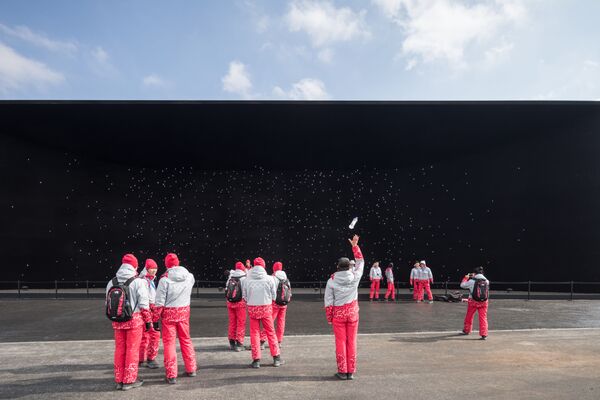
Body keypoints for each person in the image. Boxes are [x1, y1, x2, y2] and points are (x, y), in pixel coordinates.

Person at [105, 254, 152, 391]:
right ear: (135, 266)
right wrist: (148, 322)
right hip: (134, 321)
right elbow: (144, 305)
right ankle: (129, 380)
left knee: (120, 349)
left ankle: (119, 380)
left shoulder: (111, 282)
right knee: (132, 349)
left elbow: (107, 303)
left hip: (118, 321)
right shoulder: (138, 282)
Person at [324, 235, 365, 380]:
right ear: (349, 266)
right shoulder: (355, 276)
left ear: (337, 267)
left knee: (340, 342)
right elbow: (360, 262)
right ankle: (351, 371)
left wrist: (330, 318)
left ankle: (342, 371)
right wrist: (355, 246)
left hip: (339, 315)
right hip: (352, 313)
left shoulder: (331, 280)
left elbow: (328, 301)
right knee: (352, 341)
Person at [154, 253, 197, 384]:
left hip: (169, 314)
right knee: (186, 339)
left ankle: (172, 374)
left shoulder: (164, 279)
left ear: (167, 264)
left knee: (169, 343)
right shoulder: (189, 276)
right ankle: (191, 368)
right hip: (184, 311)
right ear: (178, 262)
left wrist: (155, 318)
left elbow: (160, 302)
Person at [242, 257, 283, 368]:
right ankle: (276, 358)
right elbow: (274, 296)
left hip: (252, 309)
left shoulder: (247, 279)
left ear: (254, 266)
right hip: (266, 308)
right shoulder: (270, 279)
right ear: (264, 266)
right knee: (270, 332)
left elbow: (244, 296)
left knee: (254, 333)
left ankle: (256, 360)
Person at [260, 261, 290, 347]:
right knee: (281, 322)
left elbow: (271, 291)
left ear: (274, 268)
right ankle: (279, 340)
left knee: (269, 322)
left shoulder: (273, 278)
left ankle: (262, 340)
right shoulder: (286, 278)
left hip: (274, 303)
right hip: (284, 303)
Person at [139, 258, 160, 369]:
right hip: (147, 309)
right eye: (152, 268)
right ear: (147, 268)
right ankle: (150, 358)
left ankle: (141, 358)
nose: (154, 270)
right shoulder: (144, 281)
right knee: (153, 334)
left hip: (148, 309)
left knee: (145, 335)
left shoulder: (149, 280)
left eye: (155, 268)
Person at [460, 267, 490, 340]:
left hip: (473, 301)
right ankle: (484, 334)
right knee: (483, 318)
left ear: (474, 273)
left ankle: (467, 330)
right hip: (484, 302)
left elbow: (462, 285)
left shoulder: (472, 281)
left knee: (469, 316)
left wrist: (466, 278)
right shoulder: (487, 281)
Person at [226, 261, 247, 351]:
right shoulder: (245, 278)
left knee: (232, 322)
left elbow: (227, 288)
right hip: (240, 303)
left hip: (230, 302)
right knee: (241, 323)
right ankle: (239, 343)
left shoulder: (231, 277)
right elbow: (246, 291)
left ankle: (231, 341)